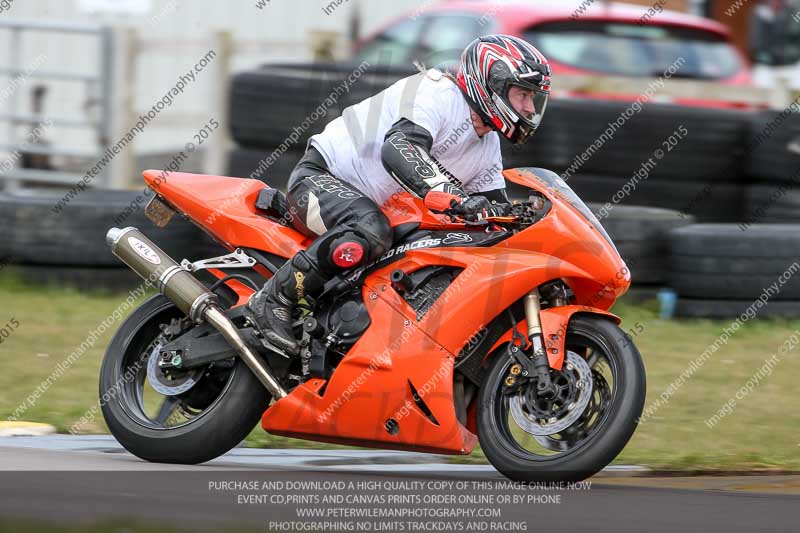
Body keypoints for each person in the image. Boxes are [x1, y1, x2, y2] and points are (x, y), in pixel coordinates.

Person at [246, 34, 551, 355]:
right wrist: (448, 193)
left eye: (533, 98)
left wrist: (528, 222)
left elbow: (494, 208)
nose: (529, 107)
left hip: (379, 211)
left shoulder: (487, 145)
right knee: (368, 228)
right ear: (494, 83)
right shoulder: (438, 93)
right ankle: (274, 298)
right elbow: (400, 147)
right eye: (523, 95)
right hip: (319, 179)